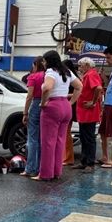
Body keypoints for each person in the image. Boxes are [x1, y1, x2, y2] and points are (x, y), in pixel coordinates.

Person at [32, 50, 82, 181]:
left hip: (53, 107)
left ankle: (45, 174)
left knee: (48, 142)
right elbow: (79, 86)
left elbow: (47, 88)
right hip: (65, 106)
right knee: (60, 141)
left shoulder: (50, 72)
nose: (43, 63)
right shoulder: (66, 71)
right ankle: (56, 172)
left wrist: (43, 102)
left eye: (44, 60)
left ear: (48, 61)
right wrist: (71, 102)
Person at [72, 57, 103, 173]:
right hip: (84, 112)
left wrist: (93, 102)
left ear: (86, 65)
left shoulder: (91, 74)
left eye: (81, 65)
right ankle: (84, 161)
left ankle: (89, 162)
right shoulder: (88, 75)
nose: (79, 68)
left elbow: (98, 88)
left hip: (88, 112)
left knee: (89, 137)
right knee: (84, 137)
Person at [21, 56, 45, 177]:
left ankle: (30, 168)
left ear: (35, 65)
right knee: (41, 139)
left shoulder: (33, 77)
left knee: (32, 138)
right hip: (47, 105)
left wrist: (25, 112)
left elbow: (29, 95)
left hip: (35, 104)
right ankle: (41, 167)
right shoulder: (48, 76)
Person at [62, 59, 80, 166]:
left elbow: (77, 91)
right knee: (65, 132)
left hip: (70, 106)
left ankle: (68, 157)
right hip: (70, 106)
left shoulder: (72, 78)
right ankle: (66, 156)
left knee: (66, 132)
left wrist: (66, 95)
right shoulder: (70, 77)